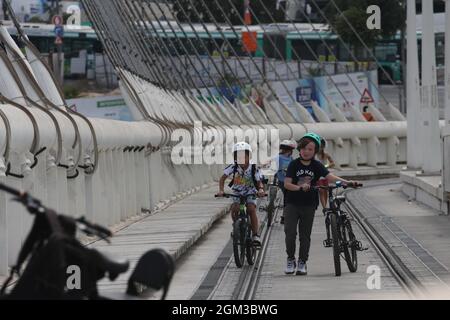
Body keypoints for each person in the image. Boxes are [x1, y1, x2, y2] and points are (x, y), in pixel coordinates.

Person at [283, 133, 359, 276]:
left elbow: (330, 177)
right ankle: (290, 259)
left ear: (315, 151)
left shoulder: (317, 165)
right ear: (299, 149)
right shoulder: (294, 164)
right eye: (304, 149)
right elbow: (287, 184)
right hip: (292, 203)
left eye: (310, 149)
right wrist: (299, 187)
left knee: (305, 236)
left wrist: (348, 182)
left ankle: (302, 262)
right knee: (290, 233)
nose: (306, 152)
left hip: (309, 204)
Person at [218, 142, 266, 246]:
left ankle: (255, 235)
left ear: (249, 156)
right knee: (234, 209)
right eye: (238, 157)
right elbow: (222, 179)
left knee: (251, 209)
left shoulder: (254, 167)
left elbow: (259, 181)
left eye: (244, 156)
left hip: (250, 192)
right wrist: (221, 190)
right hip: (237, 192)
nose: (241, 159)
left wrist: (261, 190)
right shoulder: (233, 167)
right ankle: (236, 226)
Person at [274, 140, 297, 224]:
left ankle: (286, 214)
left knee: (288, 198)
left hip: (289, 181)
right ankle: (284, 216)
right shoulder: (279, 157)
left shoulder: (290, 158)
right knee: (287, 198)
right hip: (281, 181)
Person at [317, 138, 335, 210]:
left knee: (326, 191)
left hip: (325, 175)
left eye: (322, 146)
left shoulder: (326, 154)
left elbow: (333, 163)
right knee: (321, 191)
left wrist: (326, 166)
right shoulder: (314, 154)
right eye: (319, 146)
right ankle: (324, 207)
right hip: (318, 176)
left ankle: (326, 205)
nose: (320, 148)